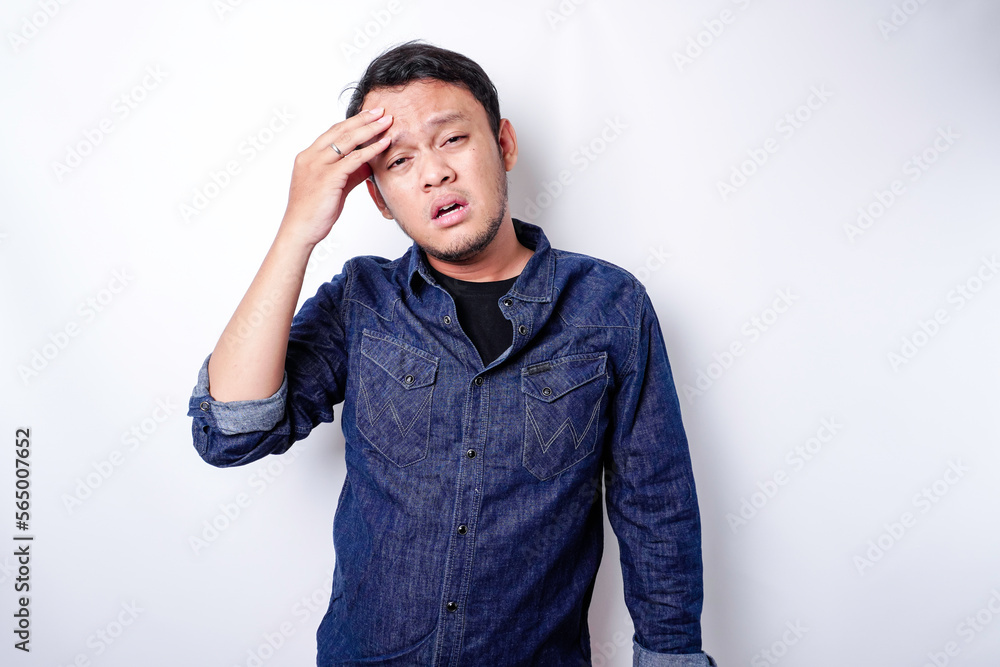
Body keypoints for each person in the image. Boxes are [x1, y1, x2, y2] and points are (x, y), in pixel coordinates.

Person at [188, 40, 717, 667]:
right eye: (400, 161)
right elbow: (232, 433)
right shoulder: (362, 300)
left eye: (452, 139)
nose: (434, 173)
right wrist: (297, 228)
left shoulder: (609, 305)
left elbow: (656, 507)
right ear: (379, 199)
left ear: (504, 144)